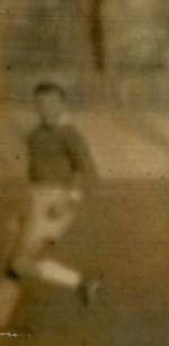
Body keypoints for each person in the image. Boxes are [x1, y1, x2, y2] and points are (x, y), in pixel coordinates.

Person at [5, 82, 102, 314]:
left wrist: (68, 200)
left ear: (62, 104)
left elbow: (89, 172)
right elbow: (32, 174)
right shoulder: (34, 135)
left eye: (52, 103)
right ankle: (83, 285)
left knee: (19, 263)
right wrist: (20, 214)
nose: (46, 108)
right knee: (16, 262)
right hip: (34, 201)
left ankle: (83, 283)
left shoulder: (69, 133)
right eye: (41, 103)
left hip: (54, 203)